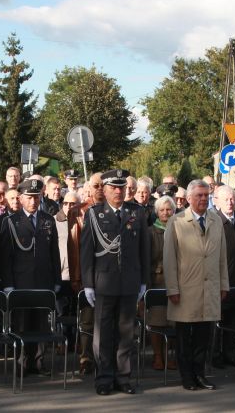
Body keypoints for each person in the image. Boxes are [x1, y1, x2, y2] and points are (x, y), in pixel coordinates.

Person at [80, 169, 150, 396]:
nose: (118, 191)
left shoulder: (137, 213)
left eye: (121, 187)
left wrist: (143, 281)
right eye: (113, 187)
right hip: (104, 282)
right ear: (105, 189)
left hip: (130, 281)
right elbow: (87, 251)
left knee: (126, 333)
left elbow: (144, 250)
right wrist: (88, 284)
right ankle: (104, 378)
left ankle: (123, 377)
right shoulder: (94, 214)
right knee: (103, 334)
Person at [163, 179, 229, 391]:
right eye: (198, 195)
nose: (202, 199)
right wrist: (172, 288)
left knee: (204, 335)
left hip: (209, 288)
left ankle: (200, 374)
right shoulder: (177, 221)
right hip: (185, 288)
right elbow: (169, 259)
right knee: (185, 336)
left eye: (205, 195)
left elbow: (222, 256)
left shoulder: (216, 220)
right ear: (189, 198)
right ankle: (187, 376)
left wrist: (223, 284)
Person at [0, 178, 61, 374]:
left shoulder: (47, 220)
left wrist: (57, 280)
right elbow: (6, 256)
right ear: (21, 198)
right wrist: (8, 283)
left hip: (44, 280)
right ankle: (23, 362)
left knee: (42, 323)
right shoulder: (11, 222)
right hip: (21, 281)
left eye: (36, 197)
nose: (33, 201)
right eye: (29, 197)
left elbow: (54, 253)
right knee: (23, 323)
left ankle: (39, 361)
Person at [55, 191, 90, 372]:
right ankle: (63, 341)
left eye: (73, 204)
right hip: (62, 274)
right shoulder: (55, 220)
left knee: (78, 312)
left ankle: (76, 342)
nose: (69, 206)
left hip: (78, 274)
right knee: (62, 311)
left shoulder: (82, 219)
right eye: (66, 203)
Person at [213, 184, 235, 368]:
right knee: (217, 319)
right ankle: (215, 354)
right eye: (226, 199)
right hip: (219, 280)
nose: (230, 202)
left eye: (232, 198)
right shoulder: (214, 221)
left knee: (233, 320)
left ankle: (230, 353)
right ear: (216, 202)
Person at [146, 196, 177, 371]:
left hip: (176, 282)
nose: (166, 213)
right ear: (156, 212)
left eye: (169, 209)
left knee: (173, 321)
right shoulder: (150, 232)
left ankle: (169, 355)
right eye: (162, 210)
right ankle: (158, 356)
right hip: (157, 282)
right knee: (157, 322)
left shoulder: (180, 229)